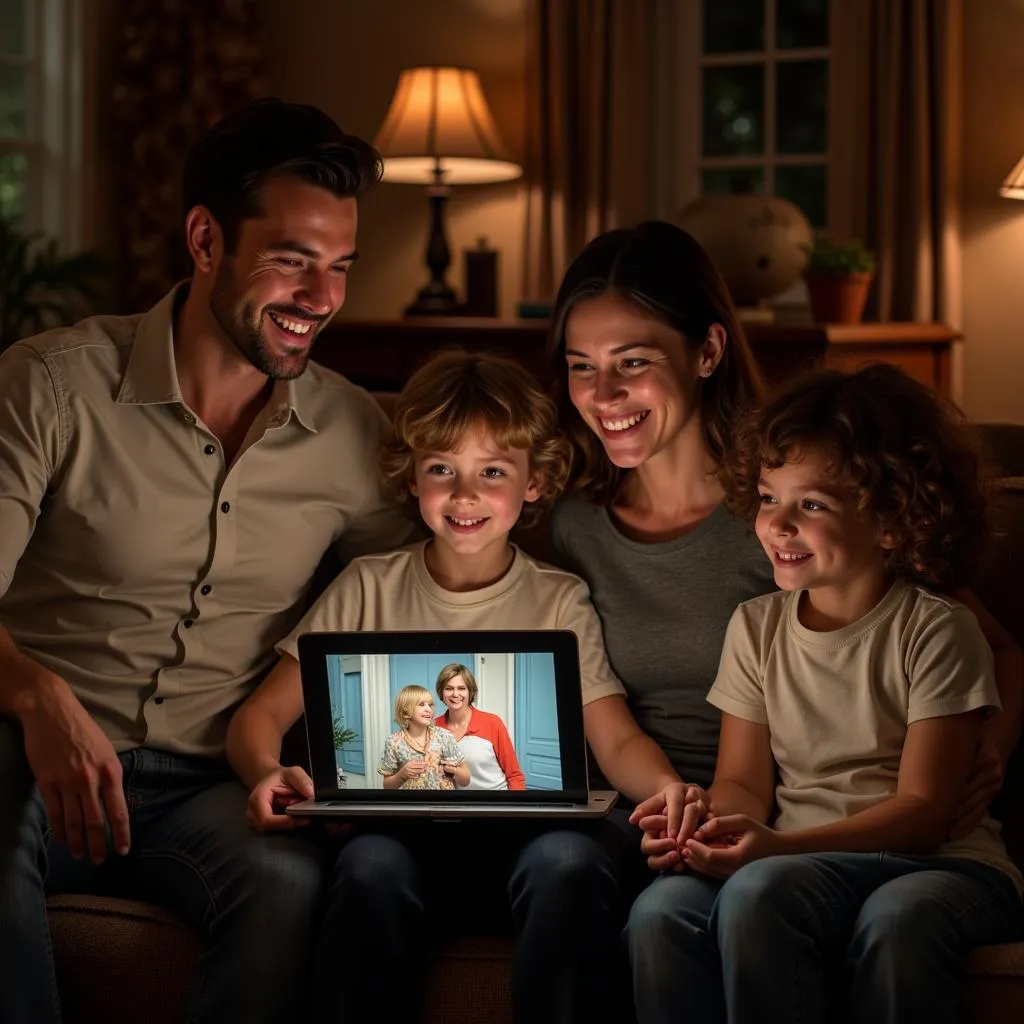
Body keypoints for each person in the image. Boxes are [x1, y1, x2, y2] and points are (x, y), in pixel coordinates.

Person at [0, 98, 415, 1024]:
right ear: (203, 240)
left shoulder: (354, 431)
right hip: (32, 763)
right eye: (292, 261)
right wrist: (32, 694)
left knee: (285, 883)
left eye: (339, 267)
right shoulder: (50, 386)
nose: (323, 299)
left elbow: (404, 608)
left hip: (211, 786)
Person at [545, 220, 1022, 1006]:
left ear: (707, 351)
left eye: (633, 363)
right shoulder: (569, 525)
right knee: (639, 905)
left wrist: (988, 748)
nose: (603, 396)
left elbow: (988, 648)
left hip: (803, 826)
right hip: (684, 821)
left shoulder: (805, 516)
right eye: (581, 368)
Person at [226, 347, 644, 1023]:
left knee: (568, 859)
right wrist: (265, 773)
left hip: (528, 847)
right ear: (412, 477)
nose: (465, 494)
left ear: (534, 483)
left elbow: (614, 737)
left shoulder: (558, 598)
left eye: (493, 472)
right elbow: (258, 717)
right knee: (368, 869)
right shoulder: (367, 585)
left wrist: (678, 795)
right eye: (442, 469)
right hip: (403, 845)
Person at [625, 364, 1024, 1024]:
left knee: (840, 906)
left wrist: (774, 850)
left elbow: (925, 815)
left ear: (894, 521)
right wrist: (708, 827)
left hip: (945, 868)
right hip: (792, 863)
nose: (777, 524)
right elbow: (743, 785)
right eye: (767, 498)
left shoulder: (935, 629)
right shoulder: (754, 627)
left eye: (811, 505)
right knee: (659, 910)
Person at [434, 662, 525, 790]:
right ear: (441, 692)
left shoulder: (492, 722)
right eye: (449, 688)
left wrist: (513, 808)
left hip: (495, 803)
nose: (455, 694)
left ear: (470, 692)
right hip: (458, 805)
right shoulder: (433, 727)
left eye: (461, 688)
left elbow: (515, 776)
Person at [381, 684, 469, 790]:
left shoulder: (445, 736)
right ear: (405, 711)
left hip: (443, 804)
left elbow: (466, 780)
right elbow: (387, 786)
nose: (429, 709)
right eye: (422, 704)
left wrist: (455, 770)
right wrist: (402, 775)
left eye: (430, 705)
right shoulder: (393, 742)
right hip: (413, 805)